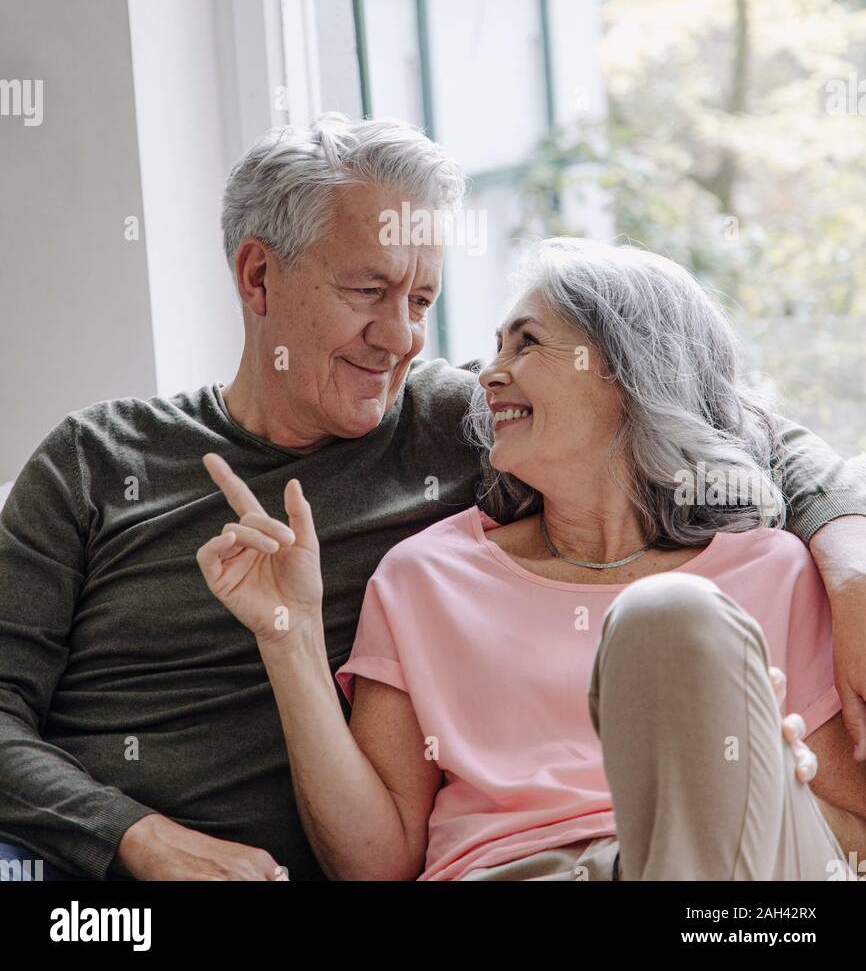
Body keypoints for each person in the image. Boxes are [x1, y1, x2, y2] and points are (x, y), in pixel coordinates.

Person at [1, 117, 865, 882]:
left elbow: (718, 418)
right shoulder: (94, 459)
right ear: (258, 277)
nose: (404, 337)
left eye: (422, 301)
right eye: (368, 292)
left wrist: (850, 552)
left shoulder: (465, 422)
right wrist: (135, 839)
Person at [197, 238, 866, 880]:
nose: (488, 376)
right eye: (496, 347)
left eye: (528, 343)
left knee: (673, 617)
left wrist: (764, 774)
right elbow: (375, 861)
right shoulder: (425, 577)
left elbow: (856, 841)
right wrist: (288, 637)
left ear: (630, 374)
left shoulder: (773, 572)